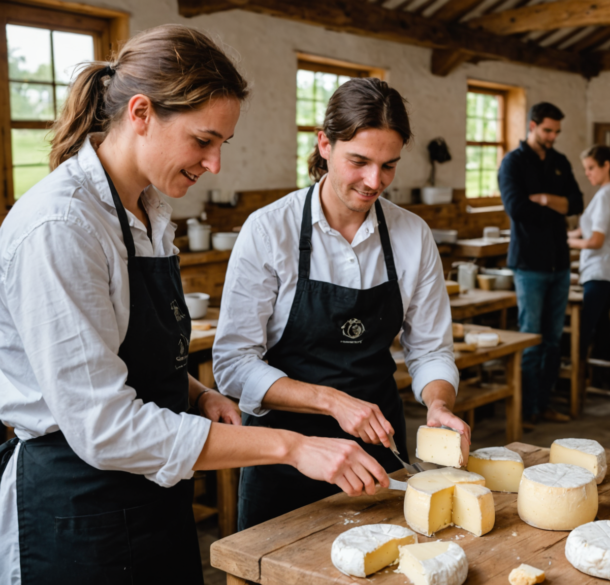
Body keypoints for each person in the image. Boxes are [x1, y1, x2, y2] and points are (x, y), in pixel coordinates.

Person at [0, 26, 391, 585]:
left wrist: (197, 392)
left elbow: (125, 351)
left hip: (154, 496)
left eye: (221, 146)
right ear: (141, 113)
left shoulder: (148, 212)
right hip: (79, 511)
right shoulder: (62, 227)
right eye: (203, 140)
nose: (214, 165)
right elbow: (103, 424)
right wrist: (291, 446)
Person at [213, 77, 468, 531]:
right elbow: (233, 365)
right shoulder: (270, 230)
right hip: (284, 451)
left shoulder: (412, 235)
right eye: (360, 161)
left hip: (377, 450)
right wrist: (333, 402)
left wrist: (439, 403)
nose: (375, 181)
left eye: (389, 165)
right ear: (325, 144)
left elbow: (430, 350)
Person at [498, 102, 584, 427]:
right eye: (547, 130)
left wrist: (546, 199)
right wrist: (557, 207)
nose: (552, 137)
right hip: (529, 264)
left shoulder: (560, 161)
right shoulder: (513, 163)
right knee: (531, 339)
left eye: (556, 132)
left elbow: (577, 203)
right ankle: (526, 410)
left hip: (559, 263)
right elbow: (518, 208)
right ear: (532, 126)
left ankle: (543, 404)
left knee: (553, 340)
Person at [568, 145, 610, 365]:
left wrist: (566, 242)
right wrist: (565, 234)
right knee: (601, 329)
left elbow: (596, 240)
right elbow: (588, 230)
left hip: (600, 273)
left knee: (584, 330)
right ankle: (601, 379)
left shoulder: (605, 195)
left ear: (607, 165)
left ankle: (574, 376)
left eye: (592, 167)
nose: (588, 173)